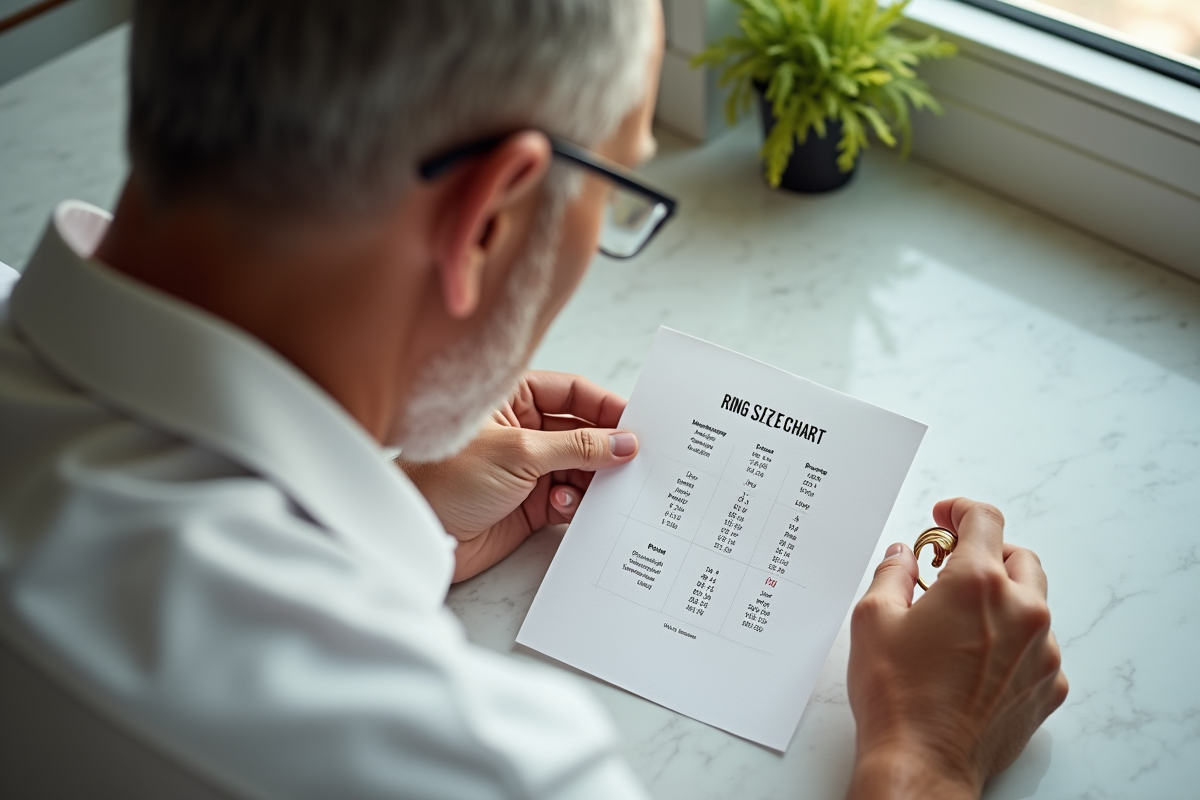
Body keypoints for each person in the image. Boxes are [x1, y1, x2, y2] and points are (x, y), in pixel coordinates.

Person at [0, 1, 1067, 798]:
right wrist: (924, 759)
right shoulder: (486, 766)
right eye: (614, 191)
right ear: (488, 219)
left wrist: (404, 521)